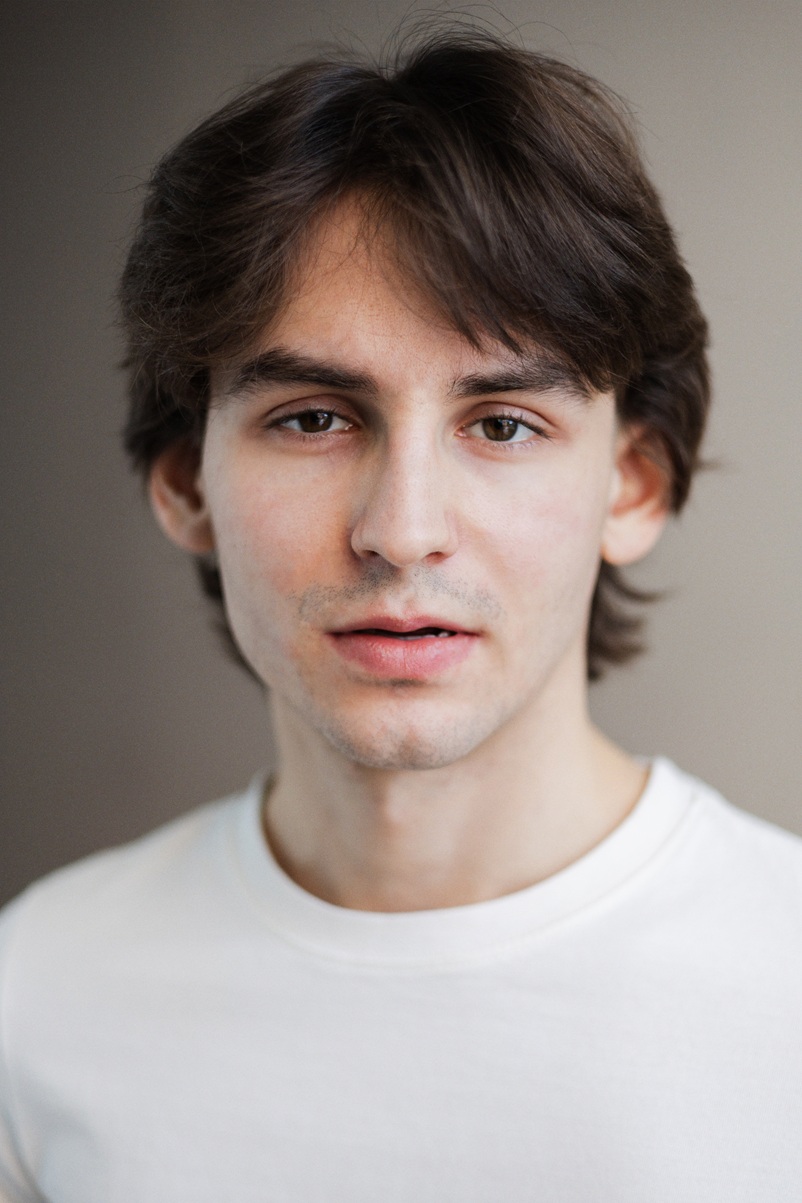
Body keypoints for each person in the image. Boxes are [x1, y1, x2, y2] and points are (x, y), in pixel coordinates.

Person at [1, 27, 800, 1203]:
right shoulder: (37, 996)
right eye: (314, 418)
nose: (402, 528)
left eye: (503, 425)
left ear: (633, 485)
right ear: (185, 483)